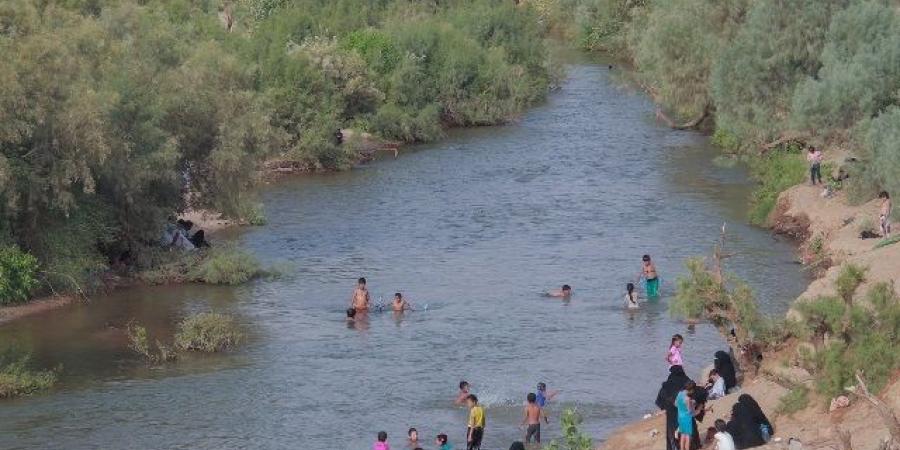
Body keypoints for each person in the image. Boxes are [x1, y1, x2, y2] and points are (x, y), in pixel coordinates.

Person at [656, 365, 692, 450]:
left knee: (672, 431)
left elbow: (662, 396)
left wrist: (664, 407)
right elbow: (694, 393)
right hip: (685, 411)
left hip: (672, 411)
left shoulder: (668, 383)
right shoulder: (687, 381)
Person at [676, 381, 702, 450]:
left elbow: (676, 404)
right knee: (688, 438)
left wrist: (689, 403)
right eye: (693, 390)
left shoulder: (680, 393)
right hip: (687, 419)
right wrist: (698, 411)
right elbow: (690, 412)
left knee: (682, 436)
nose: (693, 392)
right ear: (691, 389)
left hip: (680, 416)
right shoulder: (687, 398)